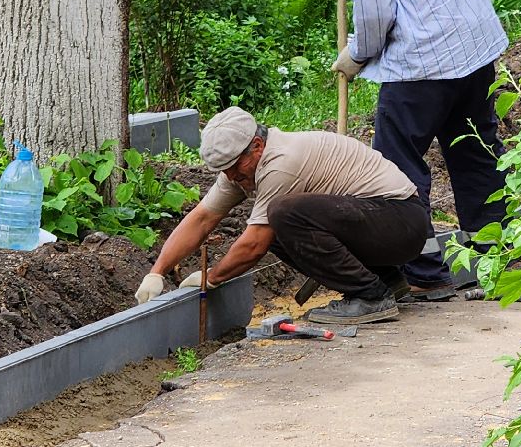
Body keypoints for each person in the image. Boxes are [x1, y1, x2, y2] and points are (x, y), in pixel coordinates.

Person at [290, 0, 508, 295]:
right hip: (472, 43)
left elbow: (374, 14)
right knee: (475, 154)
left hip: (422, 58)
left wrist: (356, 54)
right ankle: (498, 265)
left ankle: (422, 275)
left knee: (396, 170)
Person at [135, 106, 430, 325]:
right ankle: (386, 282)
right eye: (225, 171)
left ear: (257, 146)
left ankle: (370, 296)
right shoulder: (242, 166)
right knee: (276, 224)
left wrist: (211, 278)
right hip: (382, 224)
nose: (233, 177)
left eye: (235, 168)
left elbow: (253, 246)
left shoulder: (281, 162)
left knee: (280, 215)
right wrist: (157, 271)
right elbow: (202, 218)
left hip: (400, 221)